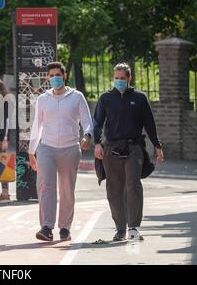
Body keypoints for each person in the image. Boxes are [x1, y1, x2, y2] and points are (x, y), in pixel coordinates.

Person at [93, 62, 164, 241]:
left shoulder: (139, 98)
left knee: (133, 186)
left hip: (134, 148)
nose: (119, 81)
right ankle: (120, 229)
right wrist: (97, 143)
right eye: (116, 78)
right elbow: (97, 123)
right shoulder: (105, 98)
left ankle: (133, 227)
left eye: (122, 78)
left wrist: (157, 146)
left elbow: (149, 123)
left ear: (129, 78)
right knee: (114, 189)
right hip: (111, 148)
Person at [29, 62, 93, 242]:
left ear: (64, 76)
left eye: (58, 75)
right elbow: (37, 125)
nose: (55, 78)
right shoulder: (43, 99)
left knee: (66, 190)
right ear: (48, 78)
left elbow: (87, 121)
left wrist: (87, 135)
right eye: (51, 75)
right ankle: (46, 227)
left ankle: (64, 227)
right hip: (47, 148)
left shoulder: (76, 97)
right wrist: (31, 150)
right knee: (45, 187)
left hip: (70, 148)